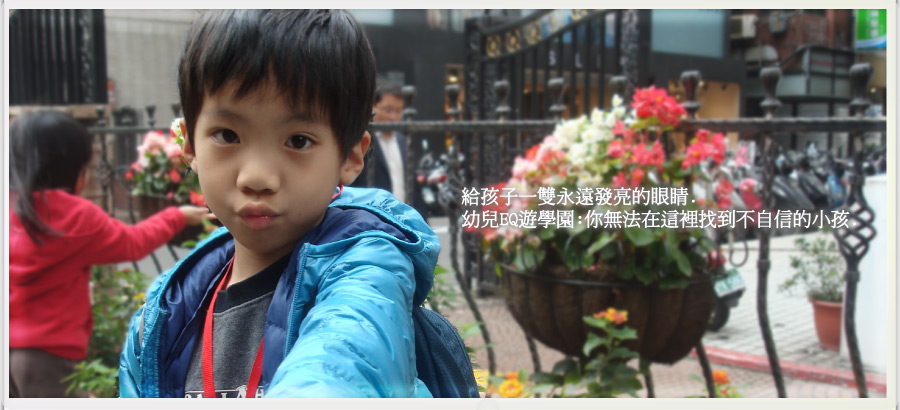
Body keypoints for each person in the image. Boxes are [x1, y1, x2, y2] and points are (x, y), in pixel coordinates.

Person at [118, 10, 475, 398]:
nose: (257, 177)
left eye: (298, 141)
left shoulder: (367, 271)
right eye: (227, 135)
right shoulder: (162, 318)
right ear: (189, 144)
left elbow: (345, 357)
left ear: (351, 156)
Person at [8, 110, 213, 398]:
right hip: (47, 356)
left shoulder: (12, 210)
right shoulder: (73, 216)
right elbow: (132, 242)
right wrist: (177, 217)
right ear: (73, 169)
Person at [351, 81, 429, 219]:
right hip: (372, 219)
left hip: (404, 220)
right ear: (373, 107)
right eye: (388, 110)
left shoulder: (404, 141)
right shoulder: (360, 141)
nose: (393, 117)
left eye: (398, 111)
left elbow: (413, 188)